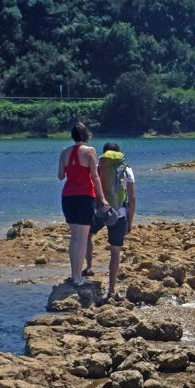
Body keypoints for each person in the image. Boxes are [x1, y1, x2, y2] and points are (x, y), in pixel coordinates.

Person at [58, 122, 108, 287]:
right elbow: (95, 176)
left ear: (73, 136)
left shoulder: (64, 152)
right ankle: (78, 277)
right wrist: (102, 199)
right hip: (85, 196)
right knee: (83, 238)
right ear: (86, 135)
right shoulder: (90, 151)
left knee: (74, 237)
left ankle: (74, 274)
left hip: (67, 197)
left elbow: (60, 176)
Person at [84, 142, 136, 299]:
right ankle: (111, 290)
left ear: (104, 153)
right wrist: (130, 221)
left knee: (87, 236)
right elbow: (132, 198)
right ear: (119, 154)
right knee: (115, 251)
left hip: (99, 210)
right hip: (119, 214)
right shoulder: (126, 169)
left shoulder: (98, 166)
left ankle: (89, 267)